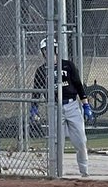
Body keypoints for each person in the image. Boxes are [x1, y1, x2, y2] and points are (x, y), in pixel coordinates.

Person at [32, 37, 91, 176]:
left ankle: (84, 171)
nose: (48, 52)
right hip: (54, 107)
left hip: (72, 105)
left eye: (51, 49)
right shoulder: (41, 71)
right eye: (45, 50)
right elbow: (36, 92)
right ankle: (58, 172)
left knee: (81, 141)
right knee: (57, 143)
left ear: (56, 49)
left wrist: (86, 105)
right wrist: (34, 108)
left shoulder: (68, 66)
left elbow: (79, 86)